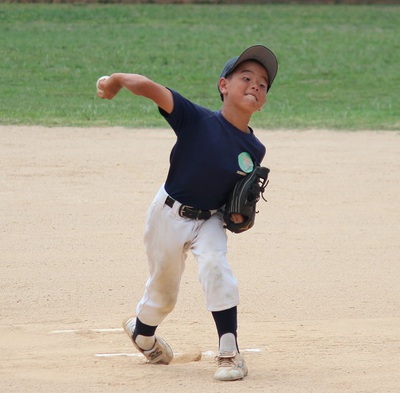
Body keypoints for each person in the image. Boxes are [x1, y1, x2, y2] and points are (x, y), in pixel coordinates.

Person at [97, 44, 278, 381]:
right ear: (223, 85)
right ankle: (143, 332)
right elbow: (152, 88)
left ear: (265, 99)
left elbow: (231, 199)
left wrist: (235, 216)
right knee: (163, 292)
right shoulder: (196, 119)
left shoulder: (255, 149)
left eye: (263, 84)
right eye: (246, 77)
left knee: (216, 267)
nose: (255, 85)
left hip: (209, 219)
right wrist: (118, 80)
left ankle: (229, 353)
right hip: (168, 213)